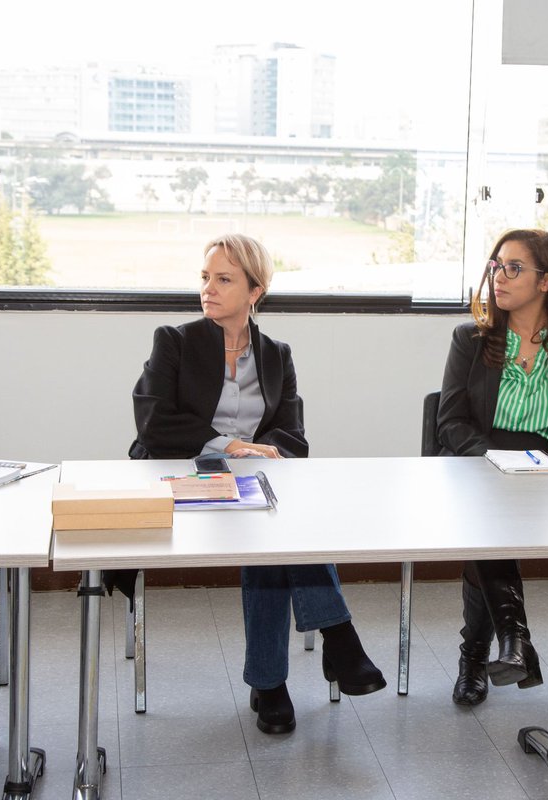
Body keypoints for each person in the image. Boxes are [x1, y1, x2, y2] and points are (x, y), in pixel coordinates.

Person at [122, 233, 385, 734]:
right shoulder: (174, 340)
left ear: (255, 291)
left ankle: (270, 684)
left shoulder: (276, 353)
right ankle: (337, 640)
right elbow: (153, 423)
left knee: (275, 529)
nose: (209, 289)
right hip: (183, 477)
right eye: (205, 277)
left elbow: (292, 434)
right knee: (275, 530)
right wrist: (230, 446)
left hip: (249, 483)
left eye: (224, 279)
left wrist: (265, 454)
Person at [436, 228, 548, 706]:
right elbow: (450, 420)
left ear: (547, 281)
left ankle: (486, 653)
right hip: (479, 465)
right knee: (490, 523)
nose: (499, 277)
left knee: (493, 531)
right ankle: (506, 644)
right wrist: (495, 461)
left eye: (514, 268)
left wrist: (543, 467)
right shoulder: (471, 339)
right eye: (496, 266)